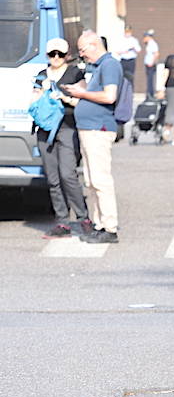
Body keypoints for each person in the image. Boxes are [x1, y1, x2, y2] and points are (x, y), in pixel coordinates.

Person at [62, 30, 124, 244]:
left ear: (94, 45)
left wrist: (81, 94)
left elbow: (109, 96)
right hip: (89, 127)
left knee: (101, 180)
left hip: (99, 128)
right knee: (91, 180)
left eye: (83, 50)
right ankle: (99, 224)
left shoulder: (109, 65)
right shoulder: (99, 66)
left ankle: (109, 227)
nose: (82, 55)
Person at [31, 38, 92, 239]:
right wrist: (43, 91)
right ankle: (62, 222)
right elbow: (33, 102)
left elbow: (83, 100)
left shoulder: (75, 73)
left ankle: (83, 217)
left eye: (60, 54)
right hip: (45, 130)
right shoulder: (41, 75)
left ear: (67, 55)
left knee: (68, 175)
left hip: (67, 127)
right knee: (53, 179)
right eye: (52, 54)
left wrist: (65, 97)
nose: (56, 58)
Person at [142, 29, 159, 99]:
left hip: (151, 65)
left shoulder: (153, 44)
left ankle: (150, 94)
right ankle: (149, 93)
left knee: (150, 80)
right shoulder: (149, 44)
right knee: (149, 80)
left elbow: (156, 54)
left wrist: (152, 62)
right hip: (148, 64)